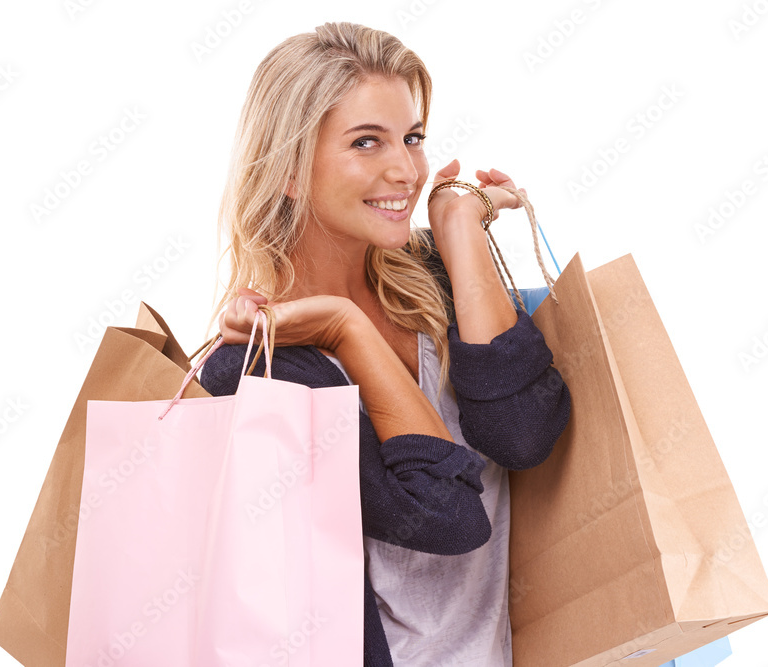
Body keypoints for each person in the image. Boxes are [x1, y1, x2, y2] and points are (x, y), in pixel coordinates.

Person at [198, 21, 571, 666]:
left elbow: (524, 436)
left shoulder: (431, 278)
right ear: (287, 167)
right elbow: (450, 520)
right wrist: (348, 329)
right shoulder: (256, 373)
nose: (406, 170)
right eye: (366, 142)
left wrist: (460, 231)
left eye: (412, 137)